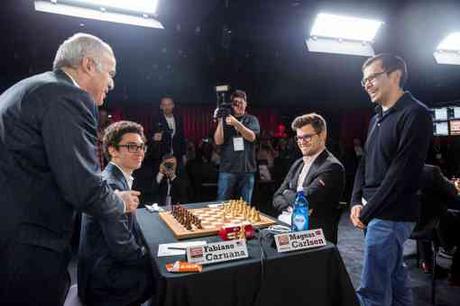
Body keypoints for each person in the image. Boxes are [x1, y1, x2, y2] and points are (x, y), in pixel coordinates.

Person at [0, 33, 140, 305]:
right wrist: (119, 202)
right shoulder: (69, 96)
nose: (111, 83)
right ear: (88, 65)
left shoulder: (27, 88)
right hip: (30, 242)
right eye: (110, 73)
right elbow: (83, 188)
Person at [350, 53, 432, 305]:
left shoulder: (416, 113)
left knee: (372, 291)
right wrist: (355, 200)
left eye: (372, 77)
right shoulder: (376, 117)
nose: (367, 85)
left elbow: (401, 174)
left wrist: (366, 211)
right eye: (364, 81)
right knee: (395, 278)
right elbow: (365, 162)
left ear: (395, 75)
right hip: (373, 210)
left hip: (392, 214)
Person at [78, 121, 154, 306]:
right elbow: (122, 248)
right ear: (113, 150)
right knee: (166, 275)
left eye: (141, 146)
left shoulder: (114, 177)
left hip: (100, 270)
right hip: (105, 281)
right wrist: (153, 257)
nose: (139, 152)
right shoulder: (111, 184)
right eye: (131, 146)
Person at [272, 113, 345, 244]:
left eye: (307, 137)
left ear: (322, 135)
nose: (301, 142)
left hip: (314, 237)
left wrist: (287, 193)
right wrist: (292, 207)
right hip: (287, 227)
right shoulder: (298, 163)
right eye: (298, 138)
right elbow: (276, 196)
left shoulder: (332, 166)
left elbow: (306, 200)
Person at [214, 89, 260, 203]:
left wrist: (236, 123)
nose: (239, 105)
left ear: (246, 104)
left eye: (241, 102)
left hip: (247, 169)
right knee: (222, 204)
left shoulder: (251, 119)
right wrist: (220, 120)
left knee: (245, 206)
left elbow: (252, 137)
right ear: (232, 105)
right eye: (235, 102)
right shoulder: (225, 120)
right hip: (227, 169)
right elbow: (218, 141)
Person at [152, 96, 186, 168]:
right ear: (161, 106)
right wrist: (153, 137)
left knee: (178, 177)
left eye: (169, 104)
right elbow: (149, 135)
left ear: (173, 105)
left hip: (177, 155)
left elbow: (182, 137)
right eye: (164, 105)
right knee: (162, 177)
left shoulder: (178, 119)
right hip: (162, 156)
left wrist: (184, 154)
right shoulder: (156, 119)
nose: (167, 107)